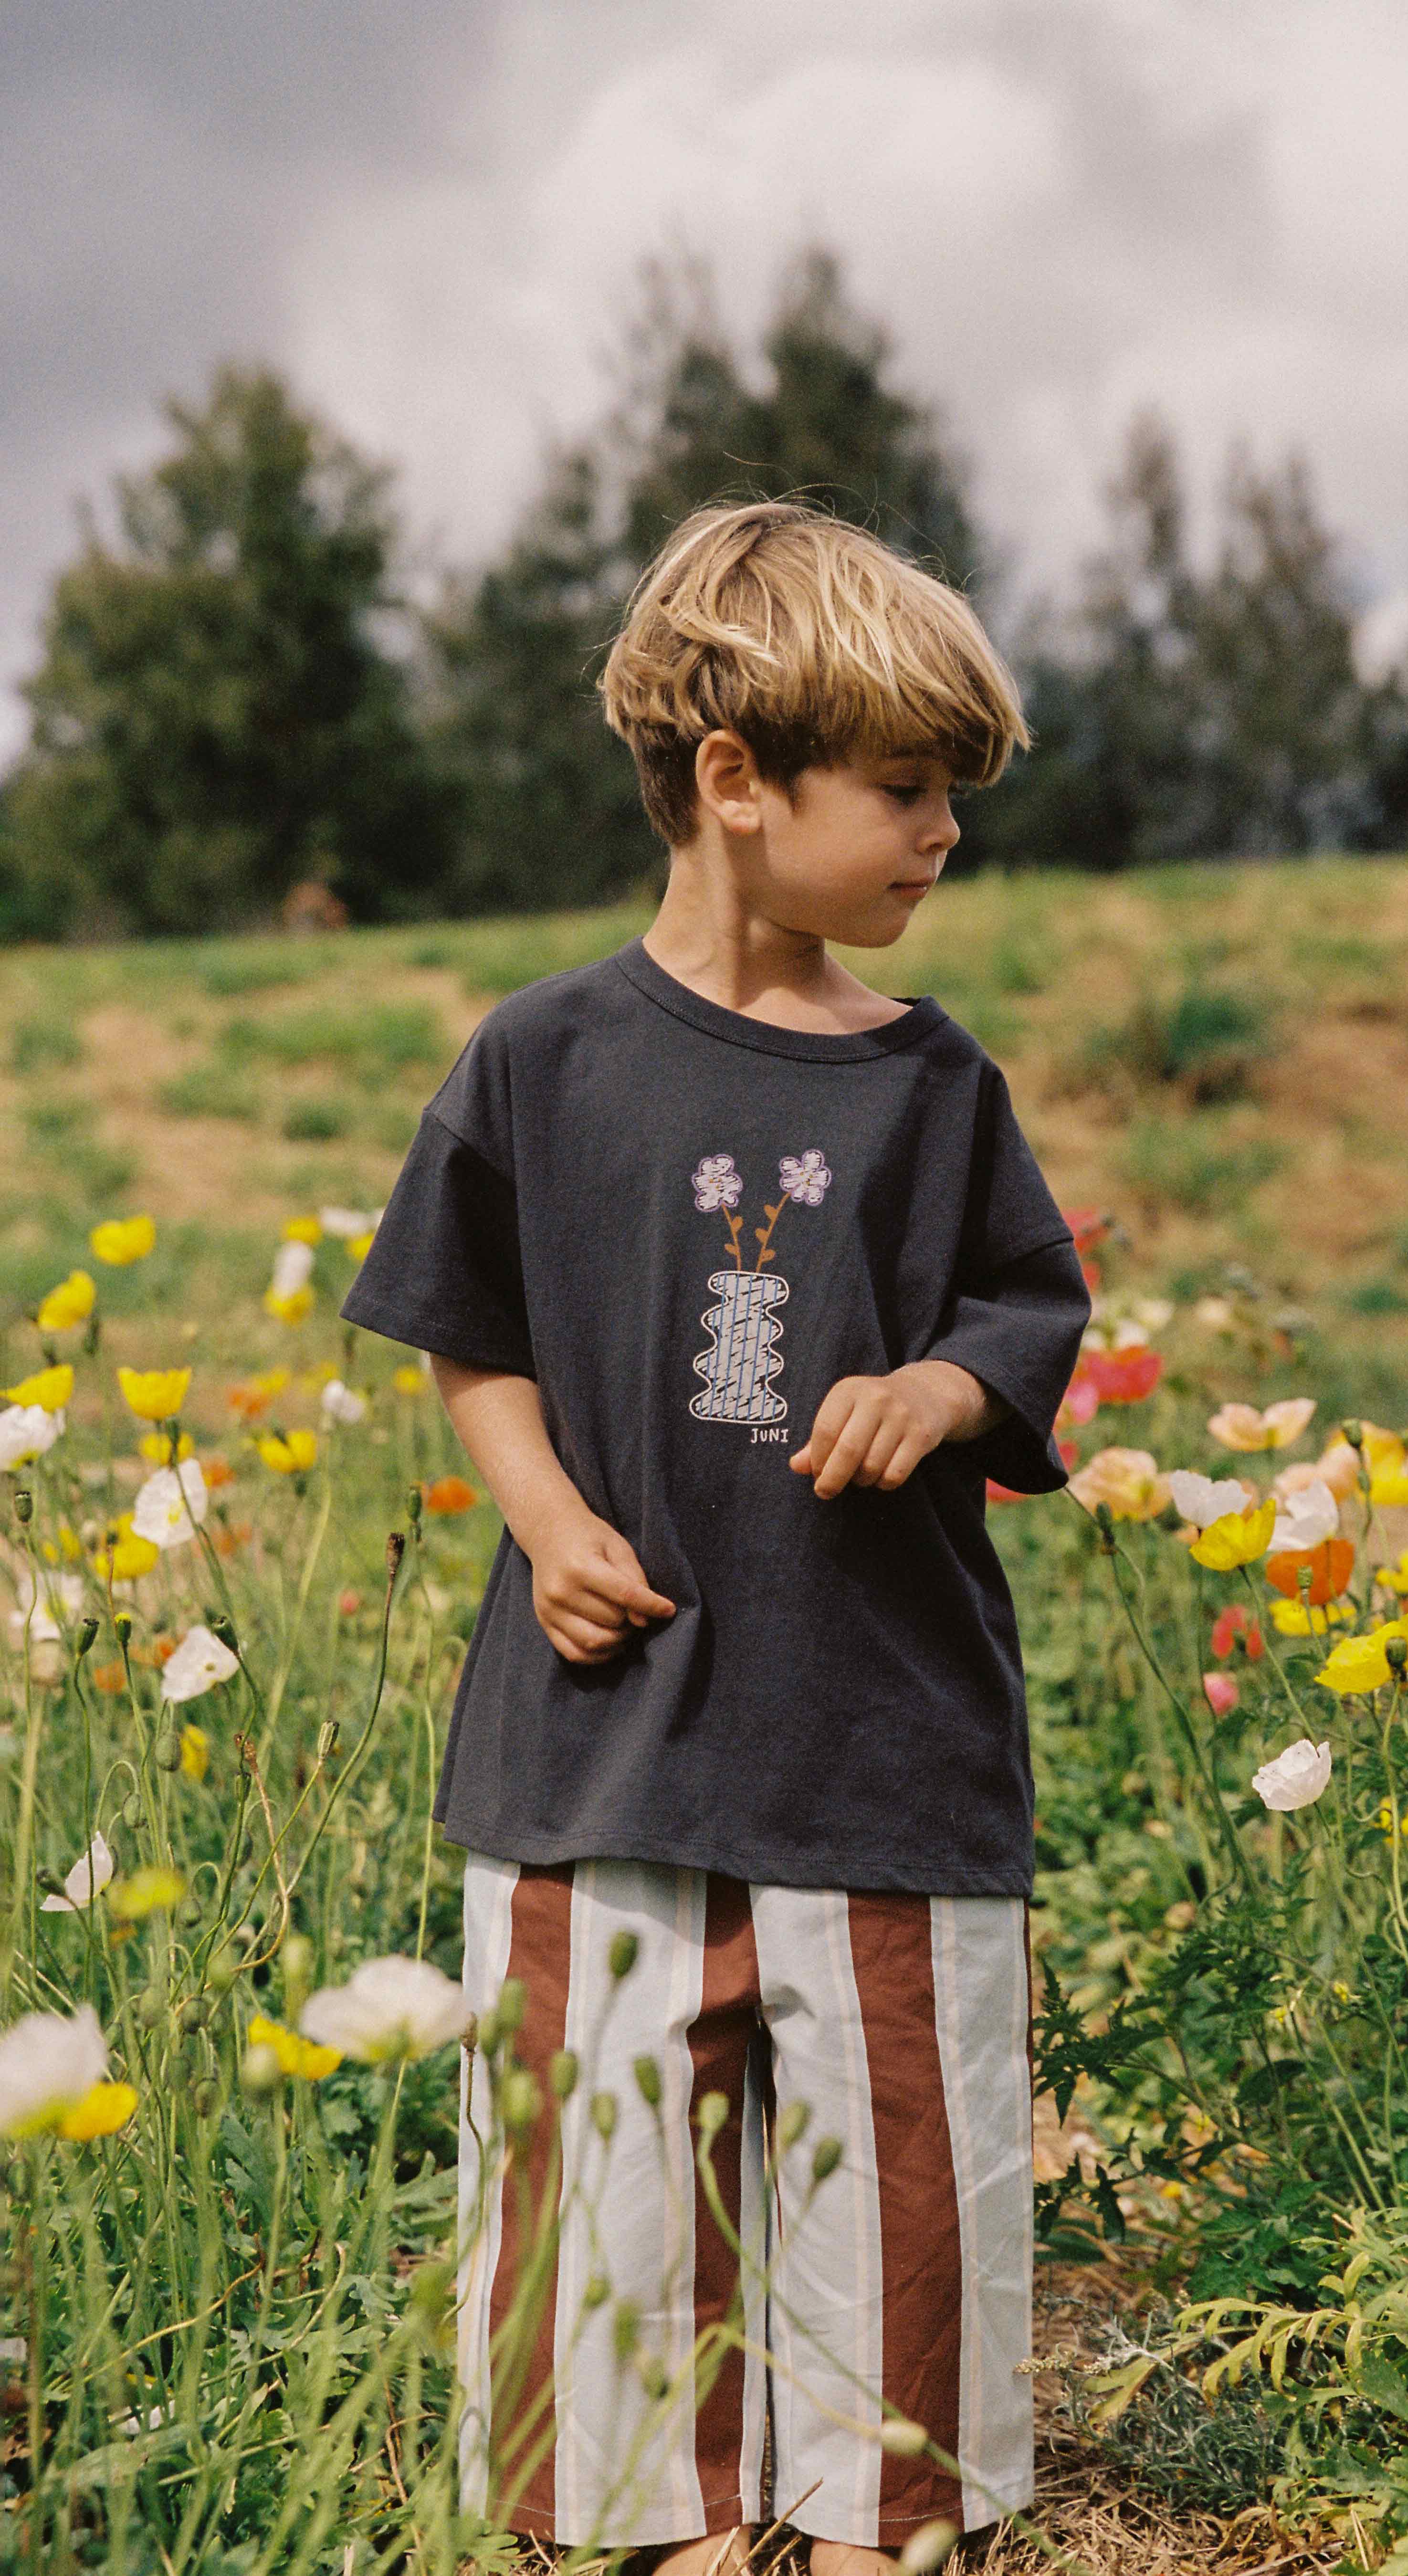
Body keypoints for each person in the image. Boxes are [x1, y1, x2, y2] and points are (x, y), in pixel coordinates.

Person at [339, 499, 1092, 2570]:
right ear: (739, 785)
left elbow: (1027, 1322)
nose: (947, 835)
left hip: (878, 1739)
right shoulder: (541, 1059)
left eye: (955, 794)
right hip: (597, 1744)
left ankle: (879, 2523)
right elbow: (463, 1335)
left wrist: (940, 1389)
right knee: (606, 2175)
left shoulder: (936, 1089)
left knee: (902, 2170)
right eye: (912, 791)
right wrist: (548, 1511)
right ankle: (657, 2520)